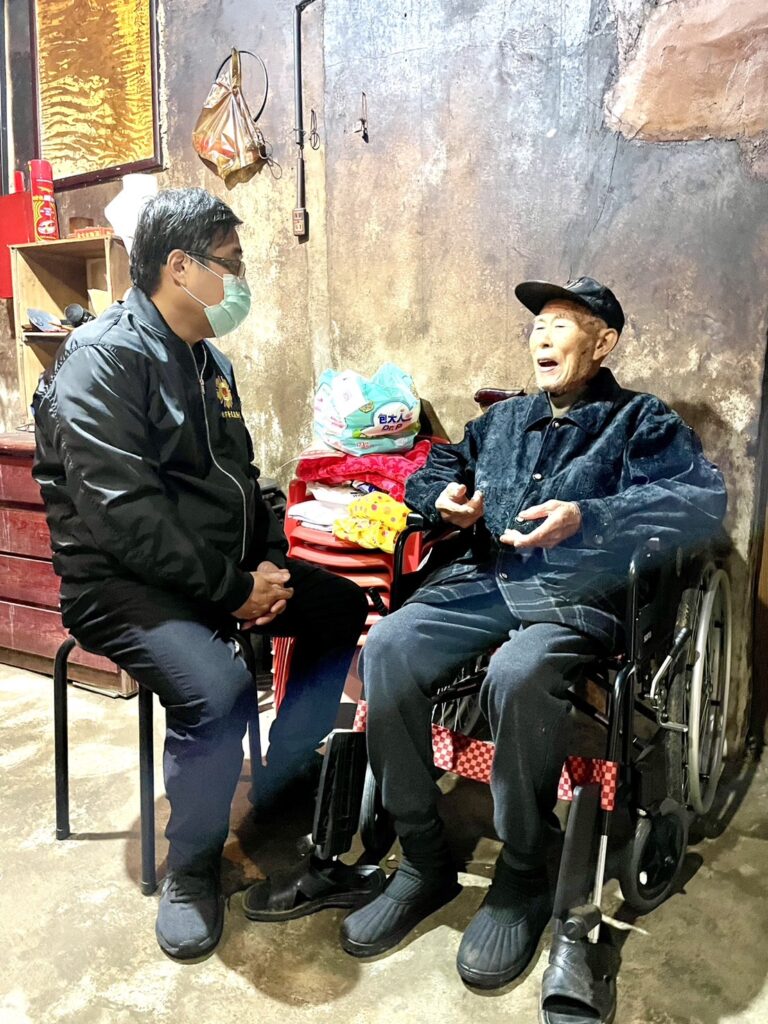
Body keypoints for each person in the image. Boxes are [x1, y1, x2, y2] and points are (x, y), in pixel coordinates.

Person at [340, 277, 727, 989]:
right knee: (389, 644)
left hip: (574, 596)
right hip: (482, 581)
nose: (542, 337)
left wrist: (591, 518)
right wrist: (443, 498)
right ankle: (423, 857)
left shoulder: (638, 421)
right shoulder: (504, 420)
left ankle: (523, 870)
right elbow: (437, 467)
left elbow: (702, 497)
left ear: (603, 342)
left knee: (517, 673)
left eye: (561, 325)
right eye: (537, 326)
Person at [32, 188, 368, 961]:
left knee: (339, 605)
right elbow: (124, 516)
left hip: (212, 572)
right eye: (233, 263)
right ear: (181, 267)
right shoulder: (102, 359)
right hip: (119, 586)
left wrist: (268, 563)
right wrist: (232, 591)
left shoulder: (207, 360)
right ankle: (191, 868)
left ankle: (285, 775)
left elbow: (241, 481)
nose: (242, 280)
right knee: (217, 692)